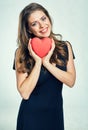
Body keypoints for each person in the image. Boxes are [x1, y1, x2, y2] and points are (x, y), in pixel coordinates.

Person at [13, 2, 76, 130]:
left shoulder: (65, 47)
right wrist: (38, 62)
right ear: (29, 29)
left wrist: (46, 63)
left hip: (55, 115)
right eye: (34, 23)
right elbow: (25, 93)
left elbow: (71, 81)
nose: (42, 25)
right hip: (30, 117)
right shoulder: (21, 52)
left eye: (43, 18)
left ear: (48, 18)